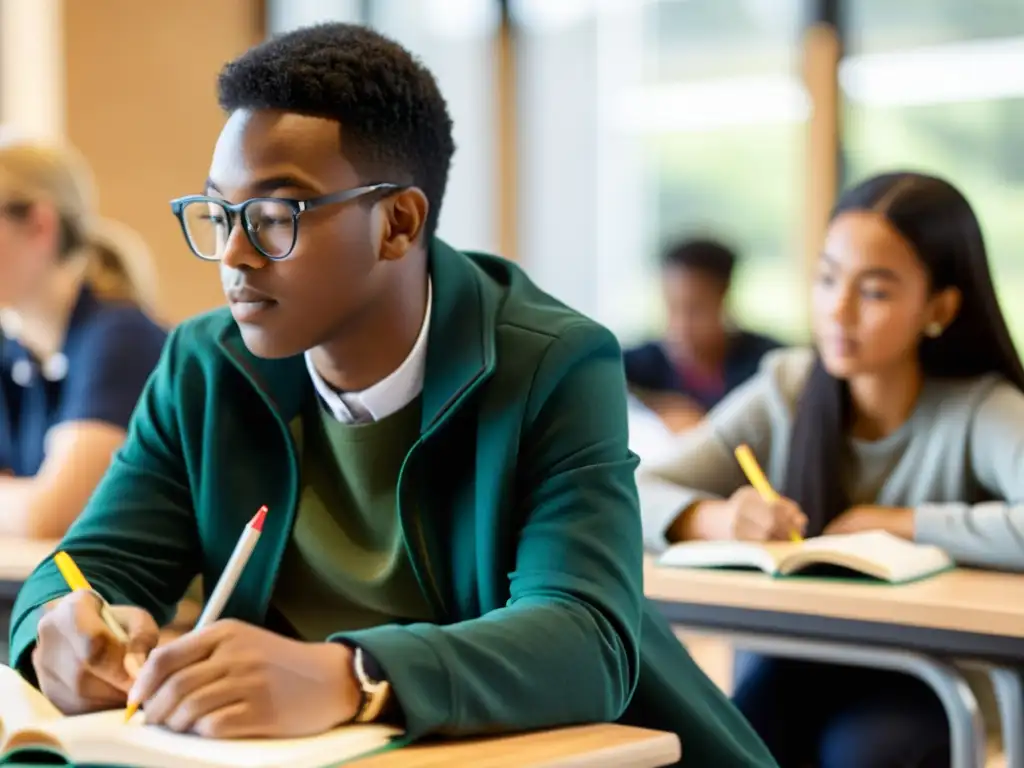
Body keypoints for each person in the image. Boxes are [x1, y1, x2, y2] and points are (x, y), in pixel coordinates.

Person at [8, 24, 775, 767]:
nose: (234, 255)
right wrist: (62, 627)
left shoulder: (555, 363)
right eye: (218, 213)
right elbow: (85, 565)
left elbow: (585, 638)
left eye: (275, 216)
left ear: (398, 223)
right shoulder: (205, 365)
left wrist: (352, 676)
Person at [636, 171, 1024, 767]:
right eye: (826, 279)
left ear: (940, 307)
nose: (838, 310)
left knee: (862, 751)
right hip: (801, 663)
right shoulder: (787, 387)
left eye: (875, 291)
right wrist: (716, 519)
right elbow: (630, 487)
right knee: (720, 741)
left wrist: (904, 524)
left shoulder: (980, 408)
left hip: (932, 684)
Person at [0, 137, 166, 539]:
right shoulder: (15, 350)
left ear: (40, 224)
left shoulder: (119, 338)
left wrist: (28, 500)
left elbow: (50, 516)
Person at [624, 238, 780, 432]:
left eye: (695, 310)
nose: (681, 326)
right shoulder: (641, 363)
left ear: (724, 298)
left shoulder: (766, 364)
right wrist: (659, 406)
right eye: (672, 307)